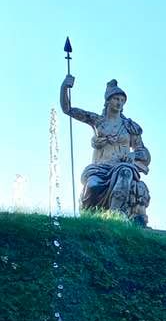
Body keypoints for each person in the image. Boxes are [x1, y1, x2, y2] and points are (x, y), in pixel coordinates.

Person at [60, 75, 151, 226]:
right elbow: (68, 109)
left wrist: (133, 154)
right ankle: (88, 217)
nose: (119, 103)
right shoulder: (97, 121)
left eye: (122, 100)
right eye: (116, 99)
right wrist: (64, 88)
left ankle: (115, 217)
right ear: (108, 100)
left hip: (121, 166)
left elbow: (145, 154)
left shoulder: (129, 126)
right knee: (93, 185)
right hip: (99, 168)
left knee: (125, 173)